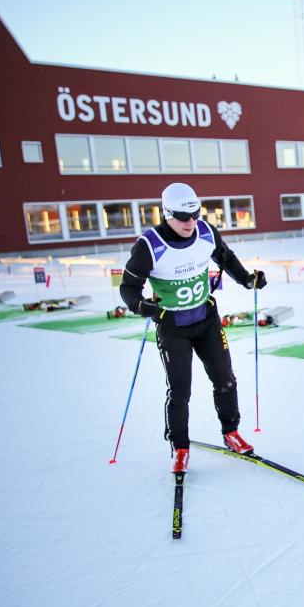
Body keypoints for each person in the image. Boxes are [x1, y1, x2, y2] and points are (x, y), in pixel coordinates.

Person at [120, 182, 267, 473]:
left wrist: (247, 279)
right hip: (173, 325)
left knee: (225, 379)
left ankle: (231, 433)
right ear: (166, 213)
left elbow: (226, 258)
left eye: (195, 215)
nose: (190, 222)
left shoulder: (206, 232)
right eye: (182, 217)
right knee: (180, 391)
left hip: (206, 319)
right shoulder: (149, 245)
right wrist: (143, 307)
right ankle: (180, 448)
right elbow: (129, 287)